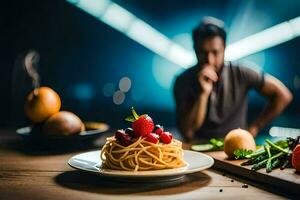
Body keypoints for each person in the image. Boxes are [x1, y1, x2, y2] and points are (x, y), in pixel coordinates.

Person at [173, 17, 293, 141]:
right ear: (195, 49)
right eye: (203, 52)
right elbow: (187, 132)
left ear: (224, 48)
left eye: (215, 52)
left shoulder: (242, 73)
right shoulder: (182, 81)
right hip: (197, 152)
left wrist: (255, 127)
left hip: (235, 150)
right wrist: (203, 95)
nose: (209, 60)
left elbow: (283, 95)